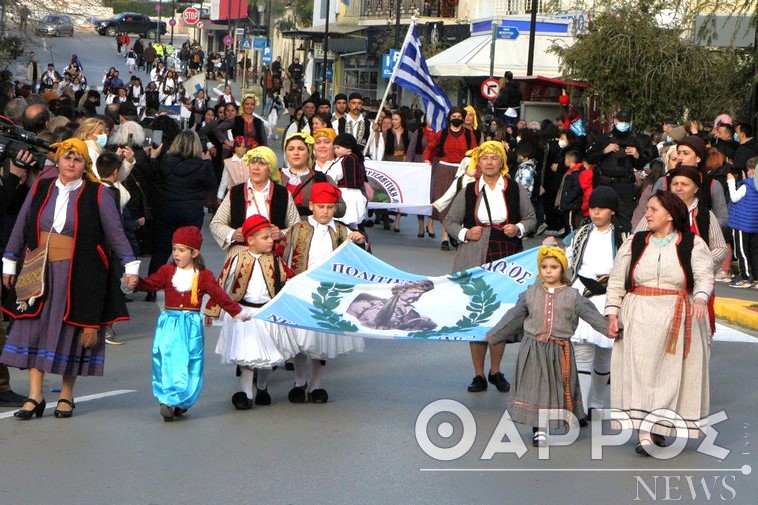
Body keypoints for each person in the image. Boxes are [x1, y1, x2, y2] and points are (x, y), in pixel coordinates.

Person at [1, 139, 139, 419]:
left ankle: (66, 395)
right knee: (34, 328)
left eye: (77, 159)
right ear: (59, 161)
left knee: (70, 332)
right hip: (39, 269)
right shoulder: (42, 186)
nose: (71, 164)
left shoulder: (97, 193)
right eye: (67, 158)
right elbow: (23, 223)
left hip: (78, 273)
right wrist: (10, 260)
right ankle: (34, 396)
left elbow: (115, 233)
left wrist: (130, 265)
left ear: (84, 165)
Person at [605, 191, 713, 455]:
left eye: (653, 210)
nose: (647, 214)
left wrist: (700, 299)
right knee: (640, 374)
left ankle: (660, 426)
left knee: (670, 376)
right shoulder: (635, 242)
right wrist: (612, 313)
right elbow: (617, 280)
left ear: (670, 215)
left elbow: (704, 276)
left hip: (677, 315)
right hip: (639, 315)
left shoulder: (692, 243)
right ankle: (645, 434)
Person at [487, 246, 609, 446]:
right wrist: (494, 335)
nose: (548, 271)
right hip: (533, 349)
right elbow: (513, 317)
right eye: (544, 267)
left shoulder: (573, 295)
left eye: (554, 267)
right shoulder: (530, 294)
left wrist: (613, 330)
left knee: (559, 387)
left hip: (560, 350)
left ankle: (567, 416)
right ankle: (539, 429)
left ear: (562, 269)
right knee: (536, 389)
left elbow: (592, 315)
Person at [125, 227, 249, 421]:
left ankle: (181, 401)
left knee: (191, 362)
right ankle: (167, 399)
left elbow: (219, 295)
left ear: (194, 253)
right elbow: (151, 284)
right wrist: (136, 283)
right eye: (174, 249)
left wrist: (237, 312)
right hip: (169, 322)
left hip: (191, 325)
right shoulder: (167, 271)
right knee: (165, 360)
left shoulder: (204, 276)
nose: (176, 254)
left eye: (182, 250)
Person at [443, 141, 536, 394]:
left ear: (502, 162)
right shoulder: (470, 190)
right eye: (485, 158)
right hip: (475, 253)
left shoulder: (515, 189)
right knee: (476, 312)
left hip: (507, 253)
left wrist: (517, 229)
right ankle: (478, 374)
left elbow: (531, 219)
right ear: (478, 162)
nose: (490, 162)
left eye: (495, 158)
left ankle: (496, 371)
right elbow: (450, 221)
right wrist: (464, 232)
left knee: (501, 313)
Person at [545, 187, 627, 421]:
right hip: (583, 296)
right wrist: (553, 250)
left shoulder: (624, 236)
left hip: (610, 298)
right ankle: (578, 408)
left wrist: (613, 276)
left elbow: (630, 265)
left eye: (601, 208)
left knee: (604, 353)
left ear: (612, 210)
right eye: (592, 207)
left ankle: (597, 403)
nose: (596, 212)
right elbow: (567, 258)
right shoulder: (580, 233)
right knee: (582, 354)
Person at [283, 183, 366, 404]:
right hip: (301, 289)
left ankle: (316, 384)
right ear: (311, 206)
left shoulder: (342, 230)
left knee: (321, 340)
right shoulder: (297, 228)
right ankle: (299, 381)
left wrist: (360, 241)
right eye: (320, 206)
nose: (325, 211)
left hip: (328, 294)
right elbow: (282, 254)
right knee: (300, 339)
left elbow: (359, 259)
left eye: (329, 207)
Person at [205, 215, 294, 409]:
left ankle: (262, 386)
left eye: (271, 237)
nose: (271, 240)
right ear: (250, 240)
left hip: (267, 313)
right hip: (243, 314)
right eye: (265, 237)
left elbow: (290, 279)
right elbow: (221, 284)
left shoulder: (276, 260)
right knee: (246, 357)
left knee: (267, 358)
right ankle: (246, 394)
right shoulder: (238, 259)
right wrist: (212, 310)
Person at [145, 130, 217, 294]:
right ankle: (187, 287)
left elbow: (155, 177)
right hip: (191, 210)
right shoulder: (202, 164)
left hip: (167, 208)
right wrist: (207, 162)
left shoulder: (167, 160)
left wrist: (153, 158)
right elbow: (210, 185)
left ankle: (151, 288)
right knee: (189, 250)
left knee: (161, 250)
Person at [210, 146, 300, 262]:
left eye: (262, 164)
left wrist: (281, 234)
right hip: (239, 256)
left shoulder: (282, 194)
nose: (256, 167)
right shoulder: (235, 192)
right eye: (253, 162)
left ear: (271, 168)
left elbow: (297, 227)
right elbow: (216, 224)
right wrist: (232, 234)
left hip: (273, 256)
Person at [585, 110, 651, 231]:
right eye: (621, 121)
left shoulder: (633, 140)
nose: (624, 124)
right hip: (606, 183)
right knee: (603, 214)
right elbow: (590, 158)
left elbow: (641, 164)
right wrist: (605, 151)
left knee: (625, 219)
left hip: (625, 186)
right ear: (615, 121)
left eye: (626, 122)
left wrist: (636, 155)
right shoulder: (604, 138)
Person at [425, 107, 479, 250]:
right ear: (449, 118)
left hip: (463, 171)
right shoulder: (442, 133)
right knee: (445, 203)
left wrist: (472, 168)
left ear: (462, 118)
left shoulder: (469, 134)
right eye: (454, 115)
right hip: (444, 170)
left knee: (461, 202)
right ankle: (444, 237)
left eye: (459, 116)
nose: (456, 118)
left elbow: (475, 152)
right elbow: (430, 147)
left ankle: (456, 233)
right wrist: (426, 160)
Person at [347, 280, 436, 331]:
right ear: (401, 291)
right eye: (414, 292)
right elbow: (345, 319)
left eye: (420, 294)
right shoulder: (368, 305)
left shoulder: (414, 315)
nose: (417, 296)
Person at [726, 159, 758, 287]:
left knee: (742, 251)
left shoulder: (747, 185)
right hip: (755, 224)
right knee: (755, 251)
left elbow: (734, 197)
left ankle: (745, 278)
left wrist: (731, 181)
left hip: (741, 223)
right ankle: (756, 279)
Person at [332, 133, 368, 228]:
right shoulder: (357, 158)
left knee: (342, 223)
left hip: (345, 195)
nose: (336, 151)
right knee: (354, 225)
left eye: (338, 147)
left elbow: (334, 176)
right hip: (356, 195)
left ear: (348, 148)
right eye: (335, 148)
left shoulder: (343, 160)